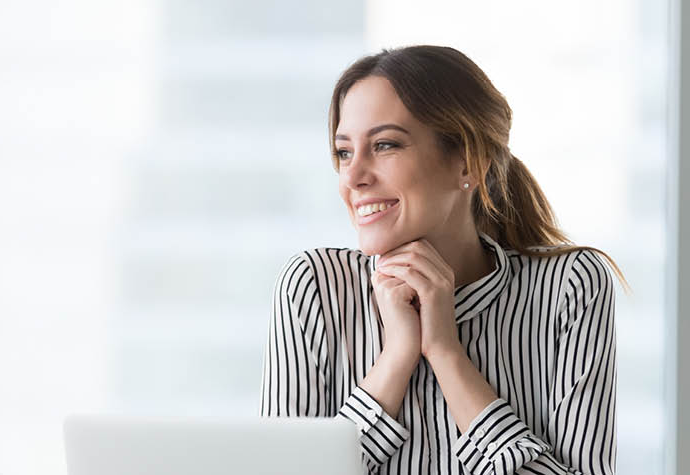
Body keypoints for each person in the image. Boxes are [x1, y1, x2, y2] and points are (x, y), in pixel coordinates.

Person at [259, 45, 629, 475]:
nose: (353, 177)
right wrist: (396, 359)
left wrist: (446, 353)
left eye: (384, 145)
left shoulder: (569, 286)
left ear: (468, 162)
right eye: (344, 152)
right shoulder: (313, 287)